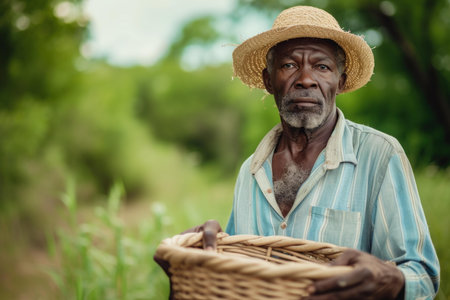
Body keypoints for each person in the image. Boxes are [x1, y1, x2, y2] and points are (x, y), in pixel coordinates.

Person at [157, 6, 440, 299]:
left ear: (340, 83)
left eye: (322, 67)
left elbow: (424, 277)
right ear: (269, 81)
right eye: (289, 65)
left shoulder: (380, 155)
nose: (306, 79)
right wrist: (199, 252)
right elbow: (235, 269)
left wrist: (391, 279)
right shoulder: (250, 172)